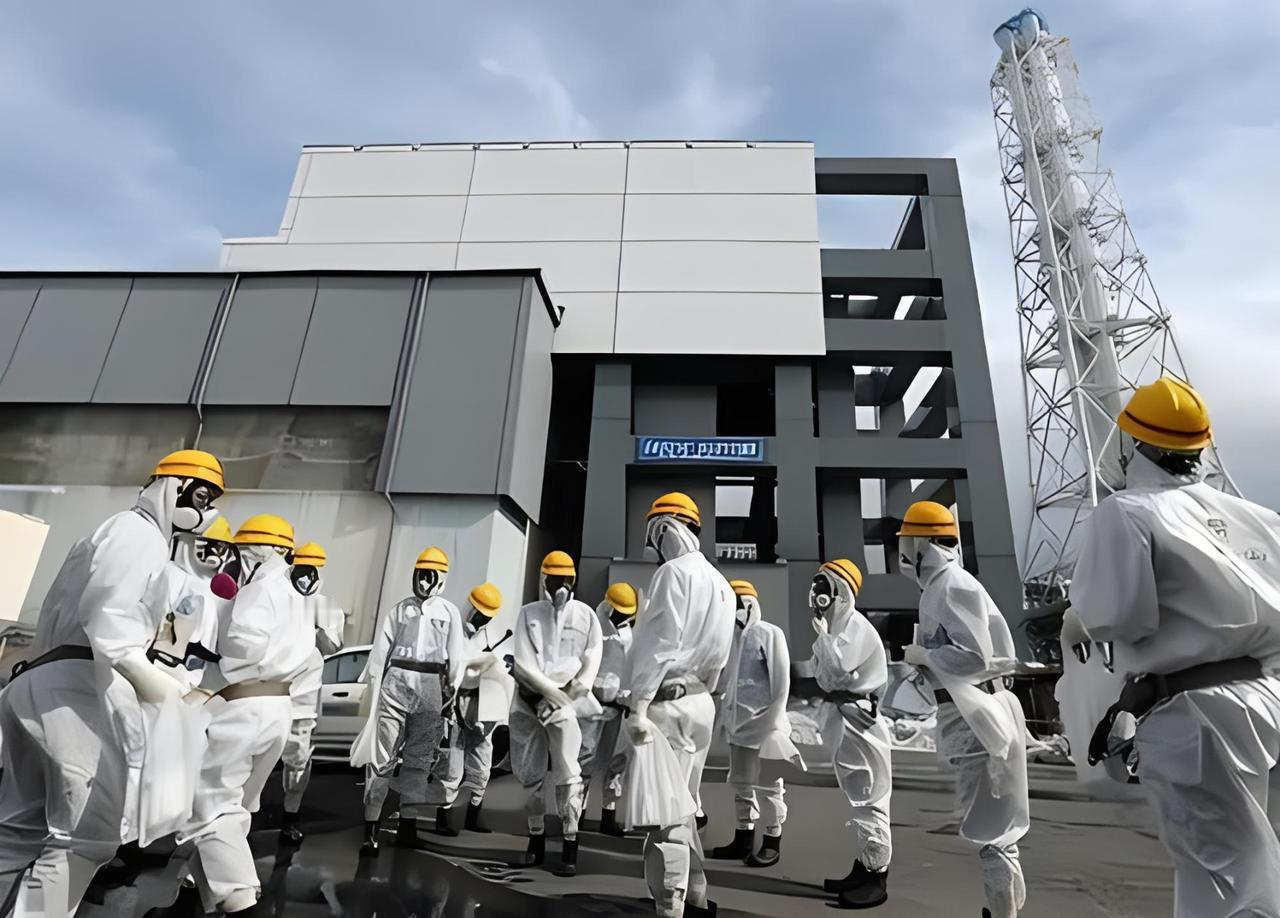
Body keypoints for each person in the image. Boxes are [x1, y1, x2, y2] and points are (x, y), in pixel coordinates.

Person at [1072, 377, 1280, 918]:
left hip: (1198, 715)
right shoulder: (1260, 519)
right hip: (1266, 696)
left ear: (1131, 444)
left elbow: (1119, 617)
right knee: (1253, 862)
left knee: (1225, 874)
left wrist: (1079, 615)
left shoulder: (1128, 511)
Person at [0, 449, 225, 918]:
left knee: (19, 830)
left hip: (47, 680)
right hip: (77, 687)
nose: (205, 511)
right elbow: (109, 624)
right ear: (172, 487)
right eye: (201, 496)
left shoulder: (123, 532)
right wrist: (162, 688)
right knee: (85, 838)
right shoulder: (138, 534)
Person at [179, 514, 316, 915]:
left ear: (258, 550)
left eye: (240, 551)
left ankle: (240, 901)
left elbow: (243, 645)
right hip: (278, 708)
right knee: (237, 806)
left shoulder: (258, 590)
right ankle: (194, 894)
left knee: (210, 804)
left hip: (245, 705)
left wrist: (209, 644)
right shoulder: (298, 595)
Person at [899, 501, 1028, 918]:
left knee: (992, 829)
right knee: (995, 826)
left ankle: (1003, 912)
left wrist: (925, 655)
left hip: (979, 716)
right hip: (970, 713)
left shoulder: (951, 584)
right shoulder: (941, 586)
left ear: (920, 545)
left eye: (906, 542)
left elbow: (973, 656)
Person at [622, 492, 735, 918]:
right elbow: (720, 657)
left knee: (665, 818)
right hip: (700, 702)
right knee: (684, 807)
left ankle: (670, 907)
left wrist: (638, 706)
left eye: (656, 535)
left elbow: (659, 644)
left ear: (666, 528)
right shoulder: (722, 584)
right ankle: (697, 898)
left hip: (667, 706)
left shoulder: (674, 574)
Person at [350, 547, 464, 856]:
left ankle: (408, 828)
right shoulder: (400, 610)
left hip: (431, 686)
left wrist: (451, 693)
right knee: (381, 756)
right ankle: (370, 830)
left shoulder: (449, 612)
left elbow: (457, 656)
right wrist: (372, 689)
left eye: (430, 576)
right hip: (397, 682)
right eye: (420, 575)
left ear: (441, 578)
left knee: (419, 759)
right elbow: (380, 652)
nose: (424, 582)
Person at [803, 559, 894, 907]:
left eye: (824, 585)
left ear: (841, 591)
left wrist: (824, 636)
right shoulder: (833, 629)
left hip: (862, 721)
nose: (817, 592)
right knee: (858, 797)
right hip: (847, 720)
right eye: (816, 584)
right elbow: (823, 677)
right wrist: (824, 635)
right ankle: (863, 866)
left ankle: (876, 875)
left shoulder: (856, 628)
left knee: (871, 798)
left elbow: (839, 671)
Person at [510, 551, 603, 877]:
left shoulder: (586, 616)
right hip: (528, 702)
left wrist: (568, 695)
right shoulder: (528, 613)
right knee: (530, 775)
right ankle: (535, 839)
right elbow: (524, 662)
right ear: (543, 580)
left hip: (566, 706)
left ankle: (569, 846)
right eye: (553, 580)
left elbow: (592, 659)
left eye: (565, 580)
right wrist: (548, 694)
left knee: (569, 774)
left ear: (573, 581)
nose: (559, 587)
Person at [707, 580, 803, 869]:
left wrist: (775, 721)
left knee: (769, 786)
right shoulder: (728, 639)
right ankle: (743, 836)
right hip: (737, 725)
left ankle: (772, 839)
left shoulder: (769, 633)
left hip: (764, 725)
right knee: (740, 783)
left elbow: (781, 682)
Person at [427, 582, 513, 836]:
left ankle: (473, 816)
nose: (479, 620)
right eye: (478, 614)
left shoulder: (494, 639)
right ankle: (443, 818)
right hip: (453, 710)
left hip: (482, 712)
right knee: (450, 769)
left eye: (485, 617)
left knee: (482, 766)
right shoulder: (450, 634)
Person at [278, 541, 342, 846]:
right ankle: (242, 815)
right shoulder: (278, 599)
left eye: (311, 571)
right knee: (254, 755)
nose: (305, 577)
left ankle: (290, 817)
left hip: (305, 698)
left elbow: (333, 647)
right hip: (271, 692)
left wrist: (316, 628)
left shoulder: (326, 607)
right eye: (301, 569)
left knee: (298, 761)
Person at [579, 581, 637, 837]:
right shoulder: (591, 628)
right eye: (620, 614)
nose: (622, 619)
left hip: (620, 707)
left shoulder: (630, 635)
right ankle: (576, 813)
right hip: (591, 705)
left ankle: (608, 815)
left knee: (617, 761)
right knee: (584, 759)